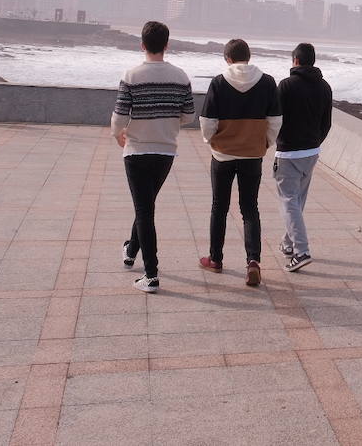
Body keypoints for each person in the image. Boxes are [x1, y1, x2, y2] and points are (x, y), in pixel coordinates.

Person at [111, 21, 194, 293]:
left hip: (137, 151)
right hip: (165, 151)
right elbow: (188, 116)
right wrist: (166, 122)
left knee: (145, 210)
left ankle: (151, 275)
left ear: (142, 45)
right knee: (145, 205)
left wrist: (118, 134)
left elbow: (119, 117)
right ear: (166, 45)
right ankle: (130, 250)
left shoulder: (131, 75)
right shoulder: (181, 77)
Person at [198, 38, 281, 287]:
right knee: (250, 208)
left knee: (219, 207)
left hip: (222, 155)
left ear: (228, 59)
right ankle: (253, 261)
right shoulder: (267, 82)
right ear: (249, 57)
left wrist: (212, 141)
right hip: (252, 155)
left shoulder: (219, 82)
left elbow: (207, 121)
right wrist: (264, 143)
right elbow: (275, 120)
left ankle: (215, 259)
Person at [274, 42, 332, 272]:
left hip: (289, 152)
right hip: (311, 152)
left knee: (289, 201)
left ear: (295, 60)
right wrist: (315, 142)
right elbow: (327, 123)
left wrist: (275, 141)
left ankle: (302, 251)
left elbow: (275, 118)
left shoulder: (286, 85)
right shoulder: (325, 87)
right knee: (297, 201)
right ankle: (288, 244)